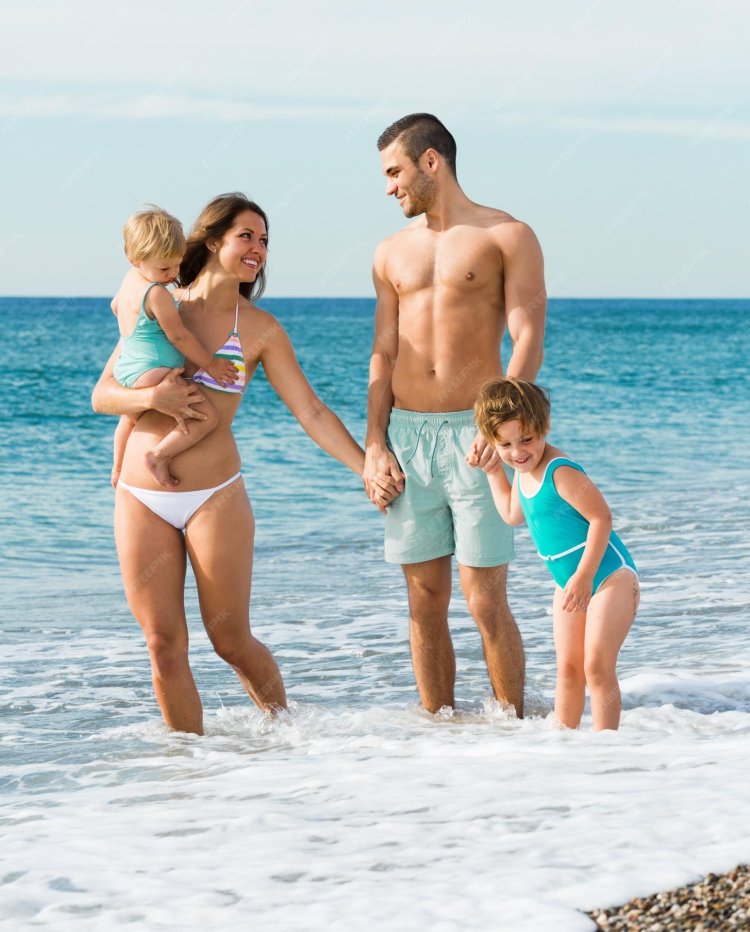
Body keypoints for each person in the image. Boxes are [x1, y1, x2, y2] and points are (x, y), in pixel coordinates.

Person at [92, 193, 388, 736]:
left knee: (229, 639)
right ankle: (190, 768)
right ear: (211, 240)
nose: (259, 249)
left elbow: (311, 410)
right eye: (246, 236)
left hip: (214, 496)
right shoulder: (159, 305)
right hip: (140, 495)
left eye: (265, 240)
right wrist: (152, 401)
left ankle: (286, 735)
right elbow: (104, 394)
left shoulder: (259, 328)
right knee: (162, 644)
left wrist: (364, 465)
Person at [363, 113, 546, 716]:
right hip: (408, 438)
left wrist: (502, 426)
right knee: (423, 600)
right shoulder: (389, 253)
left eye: (395, 171)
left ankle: (513, 727)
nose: (390, 186)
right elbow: (383, 353)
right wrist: (374, 444)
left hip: (477, 436)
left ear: (431, 161)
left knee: (484, 599)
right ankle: (438, 735)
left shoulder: (507, 235)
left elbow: (527, 334)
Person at [473, 378, 639, 730]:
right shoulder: (521, 471)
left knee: (596, 665)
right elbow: (511, 514)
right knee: (567, 668)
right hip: (568, 581)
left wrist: (582, 577)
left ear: (544, 428)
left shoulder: (558, 471)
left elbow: (601, 518)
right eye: (504, 444)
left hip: (609, 575)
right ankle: (563, 748)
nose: (518, 451)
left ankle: (607, 747)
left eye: (527, 439)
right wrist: (492, 471)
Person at [111, 206, 239, 490]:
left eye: (177, 265)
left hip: (128, 368)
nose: (172, 274)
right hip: (154, 371)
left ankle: (118, 467)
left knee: (128, 421)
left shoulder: (129, 281)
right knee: (207, 417)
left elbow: (115, 306)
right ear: (135, 259)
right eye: (164, 268)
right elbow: (180, 337)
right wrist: (211, 364)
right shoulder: (157, 295)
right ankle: (159, 455)